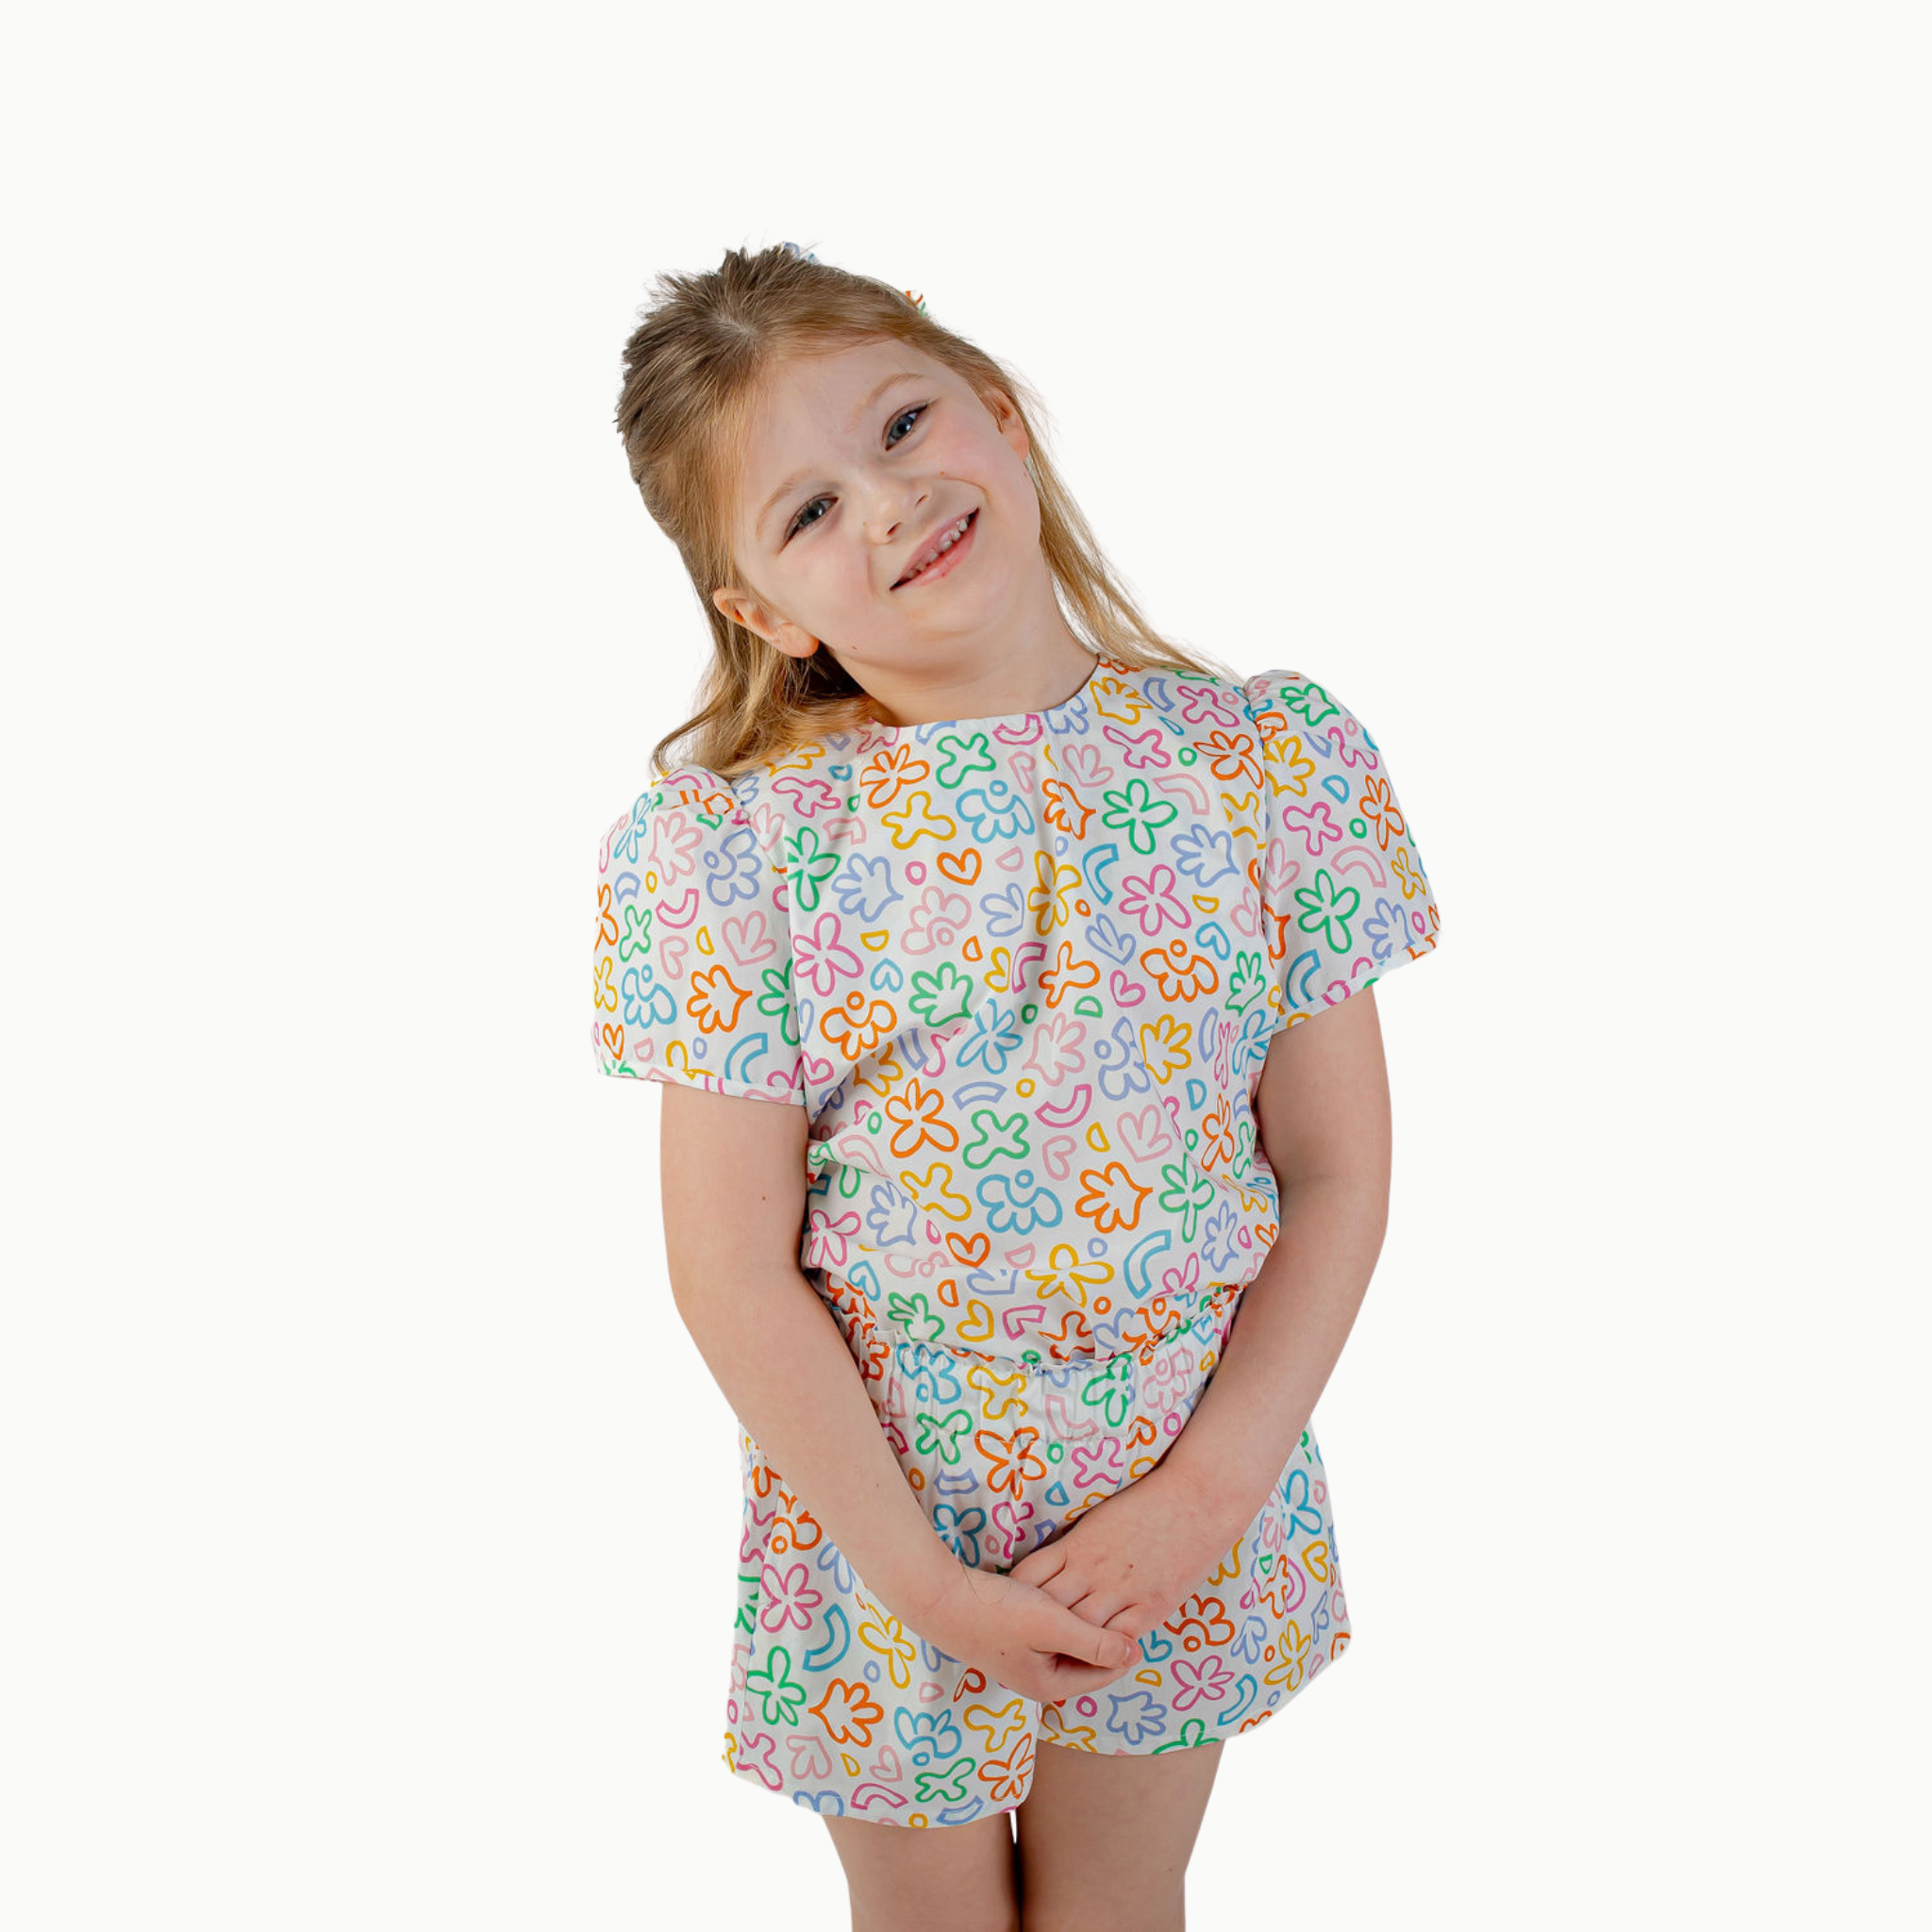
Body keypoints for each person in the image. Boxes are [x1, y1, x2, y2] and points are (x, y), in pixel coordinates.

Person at [592, 242, 1442, 1930]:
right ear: (764, 613)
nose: (889, 503)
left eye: (904, 426)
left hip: (1177, 1498)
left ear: (999, 411)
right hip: (884, 1527)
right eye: (808, 511)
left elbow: (1336, 1172)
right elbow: (729, 1266)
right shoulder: (736, 846)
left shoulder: (1264, 767)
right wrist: (918, 1582)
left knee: (1119, 1900)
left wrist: (1205, 1495)